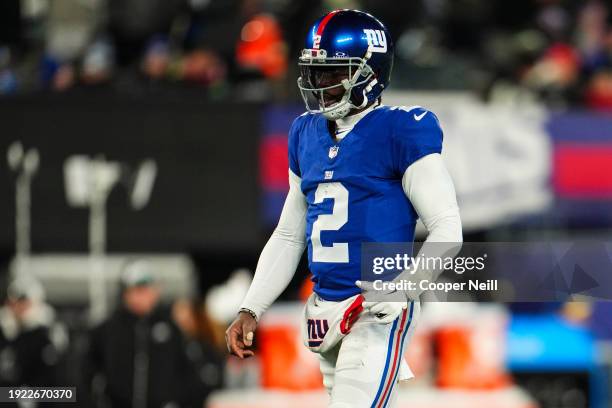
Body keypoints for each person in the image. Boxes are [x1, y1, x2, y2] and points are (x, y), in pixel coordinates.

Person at [226, 9, 463, 407]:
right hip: (324, 308)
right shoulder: (306, 132)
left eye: (334, 73)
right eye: (316, 73)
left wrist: (405, 288)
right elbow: (288, 234)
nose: (322, 85)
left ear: (370, 73)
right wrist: (251, 306)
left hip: (375, 308)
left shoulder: (400, 130)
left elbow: (447, 229)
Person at [87, 259, 208, 408]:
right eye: (138, 290)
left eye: (148, 289)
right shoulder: (107, 330)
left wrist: (176, 401)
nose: (144, 296)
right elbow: (87, 375)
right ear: (125, 293)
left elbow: (191, 374)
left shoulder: (171, 330)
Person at [0, 276, 67, 403]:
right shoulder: (8, 335)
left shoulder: (44, 337)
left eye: (21, 302)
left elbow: (60, 390)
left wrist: (31, 395)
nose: (15, 308)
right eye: (13, 303)